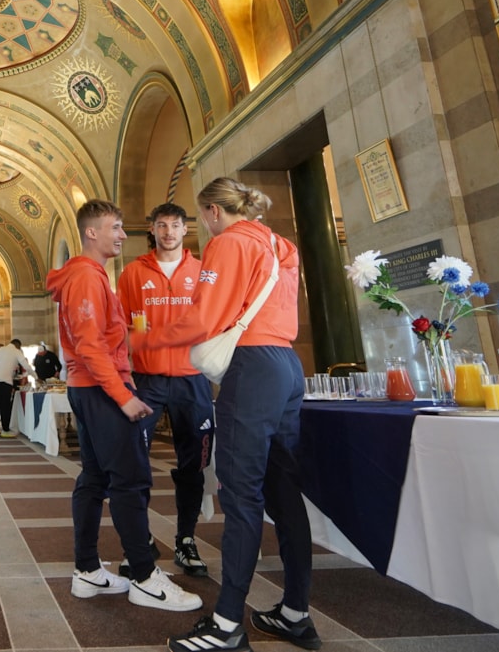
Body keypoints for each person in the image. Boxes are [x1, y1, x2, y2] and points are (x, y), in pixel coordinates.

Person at [137, 178, 318, 652]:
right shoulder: (279, 243)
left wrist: (146, 340)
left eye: (200, 217)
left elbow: (204, 318)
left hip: (253, 367)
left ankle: (226, 626)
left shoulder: (228, 242)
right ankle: (296, 613)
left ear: (214, 212)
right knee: (282, 489)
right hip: (287, 365)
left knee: (240, 493)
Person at [46, 199, 201, 613]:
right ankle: (147, 579)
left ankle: (87, 570)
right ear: (92, 233)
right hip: (100, 389)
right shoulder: (85, 277)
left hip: (90, 386)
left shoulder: (91, 275)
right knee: (131, 480)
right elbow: (90, 345)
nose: (123, 234)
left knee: (95, 479)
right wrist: (124, 396)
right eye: (115, 227)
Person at [118, 203, 213, 578]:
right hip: (148, 380)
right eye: (162, 225)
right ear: (152, 230)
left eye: (176, 225)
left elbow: (214, 320)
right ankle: (138, 543)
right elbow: (121, 327)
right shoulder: (133, 273)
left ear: (185, 230)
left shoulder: (203, 271)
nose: (169, 231)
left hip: (193, 379)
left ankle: (186, 539)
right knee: (135, 462)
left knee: (193, 464)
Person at [0, 338, 33, 437]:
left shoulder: (0, 350)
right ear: (18, 346)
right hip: (6, 382)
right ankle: (5, 430)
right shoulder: (16, 351)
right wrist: (36, 376)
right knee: (5, 406)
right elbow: (26, 366)